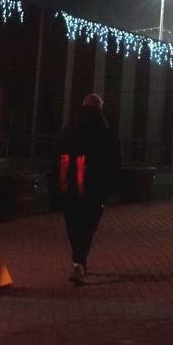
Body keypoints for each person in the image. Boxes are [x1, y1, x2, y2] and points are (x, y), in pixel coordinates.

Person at [53, 94, 120, 284]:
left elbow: (57, 157)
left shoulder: (70, 129)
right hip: (93, 188)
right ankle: (80, 261)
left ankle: (78, 261)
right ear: (100, 108)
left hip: (70, 187)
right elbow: (113, 161)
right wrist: (110, 186)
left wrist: (59, 184)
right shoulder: (105, 131)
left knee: (73, 226)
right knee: (88, 226)